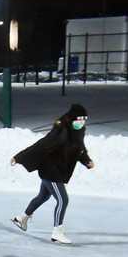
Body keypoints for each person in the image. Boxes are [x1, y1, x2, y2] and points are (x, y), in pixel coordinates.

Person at [10, 103, 95, 244]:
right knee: (63, 200)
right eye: (79, 120)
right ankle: (57, 232)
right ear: (72, 119)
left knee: (43, 197)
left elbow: (80, 149)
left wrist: (86, 161)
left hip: (59, 169)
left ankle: (21, 218)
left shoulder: (78, 132)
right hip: (50, 170)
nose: (82, 123)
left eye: (84, 120)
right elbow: (41, 144)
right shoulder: (60, 130)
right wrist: (19, 157)